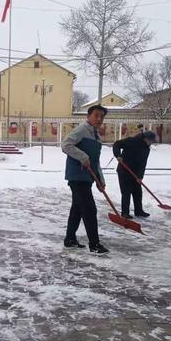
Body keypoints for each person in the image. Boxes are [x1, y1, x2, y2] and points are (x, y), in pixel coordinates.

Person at [61, 105, 109, 254]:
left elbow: (96, 162)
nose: (99, 119)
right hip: (77, 176)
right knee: (89, 209)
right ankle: (94, 245)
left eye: (102, 116)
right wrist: (83, 157)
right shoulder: (82, 130)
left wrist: (101, 180)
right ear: (88, 116)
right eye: (96, 115)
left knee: (77, 209)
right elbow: (66, 145)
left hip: (87, 177)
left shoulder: (96, 136)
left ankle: (70, 239)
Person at [113, 130, 156, 220]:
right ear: (145, 139)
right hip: (124, 170)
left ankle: (139, 211)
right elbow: (117, 144)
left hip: (135, 173)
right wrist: (118, 155)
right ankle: (125, 213)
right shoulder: (131, 141)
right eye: (150, 141)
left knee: (138, 192)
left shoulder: (146, 148)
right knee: (126, 192)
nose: (151, 143)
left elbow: (143, 164)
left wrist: (140, 177)